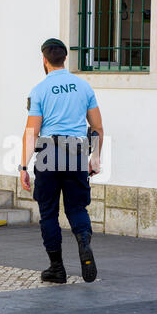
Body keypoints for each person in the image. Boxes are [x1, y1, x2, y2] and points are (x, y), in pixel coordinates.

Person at [19, 38, 104, 284]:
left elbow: (31, 132)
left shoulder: (40, 90)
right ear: (65, 59)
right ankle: (83, 242)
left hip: (47, 151)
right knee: (77, 208)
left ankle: (57, 268)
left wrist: (24, 166)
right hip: (77, 150)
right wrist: (95, 158)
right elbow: (97, 127)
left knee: (48, 213)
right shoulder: (83, 86)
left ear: (44, 60)